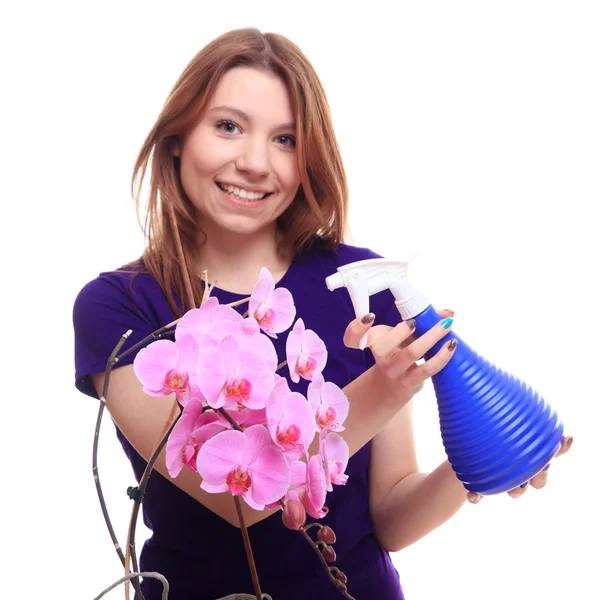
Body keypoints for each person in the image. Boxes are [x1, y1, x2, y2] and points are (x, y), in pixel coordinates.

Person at [72, 28, 572, 600]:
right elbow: (237, 504)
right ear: (178, 137)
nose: (255, 162)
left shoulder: (359, 285)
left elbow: (391, 518)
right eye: (228, 126)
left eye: (285, 139)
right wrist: (386, 386)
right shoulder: (119, 307)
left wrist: (483, 456)